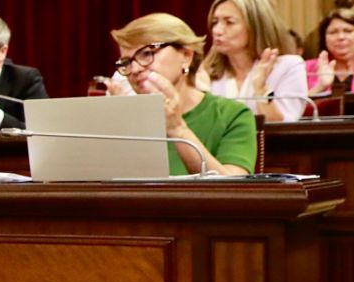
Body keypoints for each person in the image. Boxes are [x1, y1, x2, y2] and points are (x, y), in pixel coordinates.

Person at [106, 13, 255, 176]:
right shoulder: (127, 119)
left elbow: (233, 190)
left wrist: (177, 129)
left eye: (147, 54)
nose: (135, 70)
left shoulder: (232, 115)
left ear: (186, 56)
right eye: (127, 63)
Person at [198, 0, 309, 123]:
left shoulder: (288, 66)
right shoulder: (206, 72)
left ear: (256, 26)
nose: (217, 30)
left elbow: (281, 128)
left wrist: (261, 90)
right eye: (215, 22)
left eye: (229, 22)